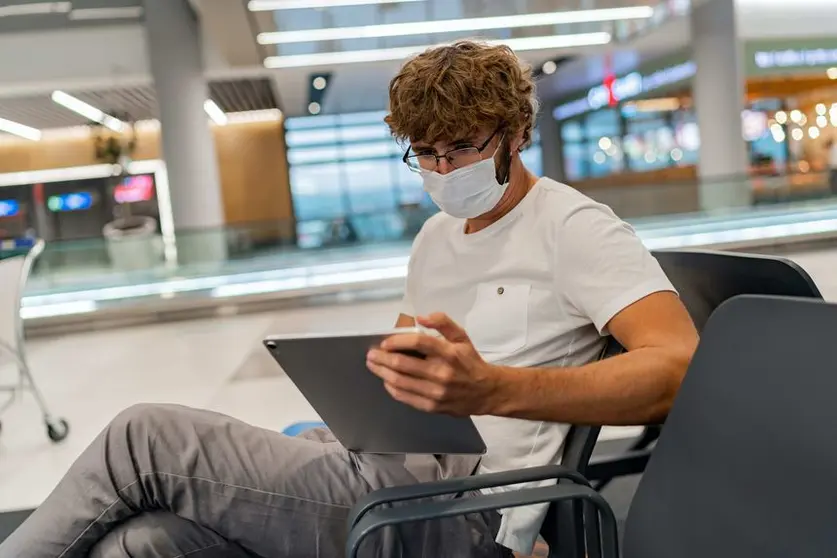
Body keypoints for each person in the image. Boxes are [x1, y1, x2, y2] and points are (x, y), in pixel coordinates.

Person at [0, 41, 698, 558]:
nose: (443, 169)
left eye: (462, 147)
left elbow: (678, 368)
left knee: (142, 436)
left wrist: (494, 387)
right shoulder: (435, 236)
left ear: (516, 132)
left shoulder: (573, 228)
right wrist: (347, 420)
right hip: (394, 475)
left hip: (467, 514)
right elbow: (400, 387)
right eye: (424, 152)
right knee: (147, 545)